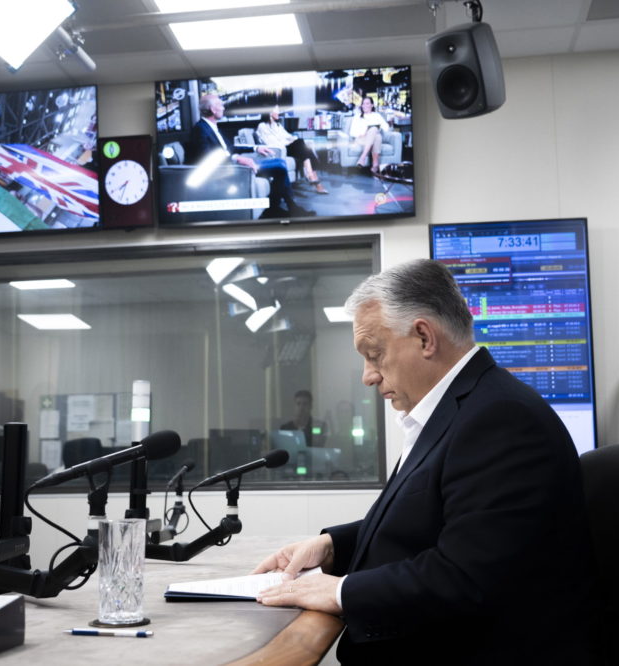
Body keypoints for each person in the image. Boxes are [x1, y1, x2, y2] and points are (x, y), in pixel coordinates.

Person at [253, 259, 597, 664]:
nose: (368, 376)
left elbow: (465, 576)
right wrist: (332, 547)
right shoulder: (463, 409)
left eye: (375, 354)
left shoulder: (500, 418)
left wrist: (340, 590)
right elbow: (428, 520)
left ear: (424, 337)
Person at [188, 93, 314, 218]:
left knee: (280, 163)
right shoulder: (200, 129)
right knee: (279, 166)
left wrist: (256, 148)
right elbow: (207, 157)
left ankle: (276, 208)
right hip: (227, 170)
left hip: (233, 165)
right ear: (213, 109)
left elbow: (231, 148)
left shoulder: (213, 127)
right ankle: (288, 209)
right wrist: (236, 158)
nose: (223, 108)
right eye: (221, 105)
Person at [256, 106, 328, 194]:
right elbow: (270, 143)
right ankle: (313, 178)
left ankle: (310, 174)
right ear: (270, 112)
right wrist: (287, 142)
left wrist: (291, 140)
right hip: (279, 150)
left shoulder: (277, 125)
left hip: (287, 147)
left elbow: (288, 136)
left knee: (301, 143)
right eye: (277, 110)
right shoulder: (262, 126)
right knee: (300, 144)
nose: (279, 113)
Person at [348, 96, 390, 174]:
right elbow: (352, 132)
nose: (364, 106)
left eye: (367, 103)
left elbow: (386, 128)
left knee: (377, 135)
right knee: (375, 133)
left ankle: (367, 161)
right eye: (363, 104)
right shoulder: (357, 116)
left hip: (373, 139)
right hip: (361, 139)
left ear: (372, 105)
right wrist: (362, 133)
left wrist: (378, 127)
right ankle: (373, 164)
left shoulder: (376, 115)